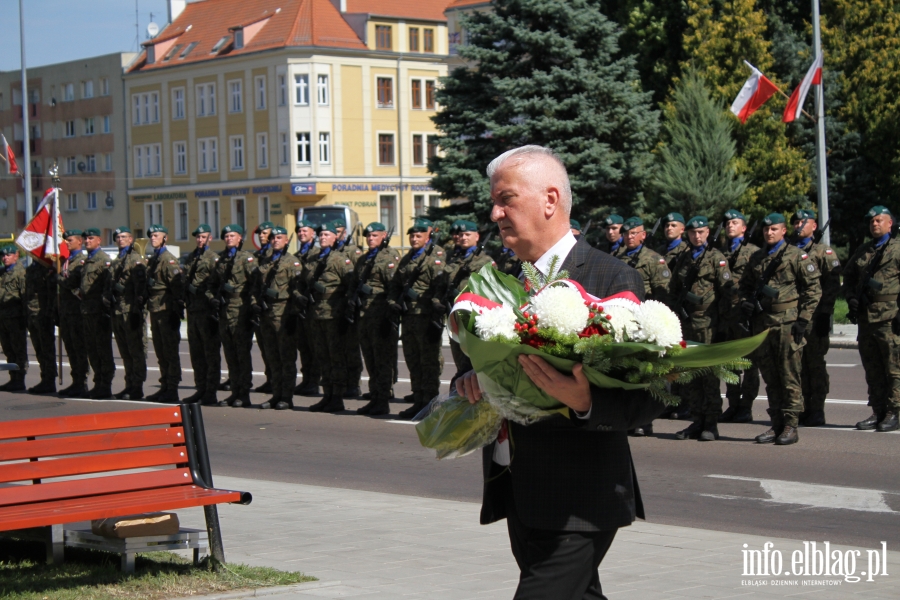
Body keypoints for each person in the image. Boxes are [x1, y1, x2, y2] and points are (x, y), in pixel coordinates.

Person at [454, 145, 665, 600]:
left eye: (506, 199)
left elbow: (650, 395)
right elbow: (479, 362)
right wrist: (470, 380)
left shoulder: (611, 279)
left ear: (550, 200)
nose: (495, 213)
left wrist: (585, 401)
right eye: (494, 202)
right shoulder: (503, 281)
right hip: (518, 489)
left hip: (579, 498)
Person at [740, 213, 821, 445]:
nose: (769, 233)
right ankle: (775, 424)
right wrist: (746, 303)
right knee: (770, 376)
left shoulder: (797, 256)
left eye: (774, 229)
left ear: (783, 231)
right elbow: (744, 286)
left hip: (788, 323)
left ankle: (790, 425)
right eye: (766, 229)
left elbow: (813, 290)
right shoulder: (756, 258)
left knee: (789, 375)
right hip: (763, 324)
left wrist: (803, 320)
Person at [670, 216, 733, 441]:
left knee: (709, 376)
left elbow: (727, 295)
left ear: (708, 233)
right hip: (688, 323)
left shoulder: (717, 258)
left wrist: (724, 326)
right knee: (691, 375)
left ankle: (711, 423)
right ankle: (696, 420)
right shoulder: (684, 258)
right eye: (693, 233)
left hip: (709, 323)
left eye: (701, 232)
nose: (697, 236)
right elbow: (675, 289)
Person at [842, 205, 900, 432]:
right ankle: (878, 410)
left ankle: (895, 412)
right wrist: (851, 298)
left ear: (890, 223)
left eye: (878, 220)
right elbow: (848, 276)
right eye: (871, 222)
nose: (874, 224)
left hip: (890, 317)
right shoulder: (863, 250)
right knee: (872, 368)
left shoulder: (897, 249)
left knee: (894, 368)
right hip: (867, 316)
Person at [616, 216, 671, 437]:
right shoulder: (617, 258)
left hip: (646, 322)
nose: (630, 237)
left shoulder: (654, 260)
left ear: (643, 235)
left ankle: (646, 420)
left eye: (634, 233)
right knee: (627, 371)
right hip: (625, 322)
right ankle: (628, 417)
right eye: (627, 233)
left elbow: (663, 294)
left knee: (648, 372)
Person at [389, 218, 447, 420]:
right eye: (412, 236)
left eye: (418, 236)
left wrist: (436, 312)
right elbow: (396, 283)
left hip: (426, 317)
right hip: (409, 317)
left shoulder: (436, 257)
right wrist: (393, 302)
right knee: (413, 361)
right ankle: (418, 400)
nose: (414, 239)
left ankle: (430, 405)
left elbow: (440, 286)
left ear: (428, 235)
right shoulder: (407, 259)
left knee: (429, 362)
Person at [791, 210, 841, 427]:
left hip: (814, 317)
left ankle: (817, 409)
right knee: (797, 366)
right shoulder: (789, 251)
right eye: (795, 222)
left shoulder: (823, 252)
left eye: (804, 222)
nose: (799, 225)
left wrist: (825, 313)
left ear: (814, 226)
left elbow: (831, 285)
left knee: (815, 365)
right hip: (792, 316)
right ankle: (802, 408)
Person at [349, 222, 402, 416]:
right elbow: (354, 283)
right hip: (365, 316)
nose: (370, 239)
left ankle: (383, 399)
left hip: (381, 315)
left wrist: (390, 312)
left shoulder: (390, 257)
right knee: (370, 359)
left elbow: (394, 286)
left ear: (383, 237)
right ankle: (374, 395)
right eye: (368, 236)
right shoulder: (363, 260)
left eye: (374, 236)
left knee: (382, 360)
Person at [718, 209, 761, 423]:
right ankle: (733, 404)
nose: (730, 226)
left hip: (744, 315)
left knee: (748, 363)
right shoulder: (719, 253)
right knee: (729, 363)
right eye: (727, 223)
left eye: (734, 222)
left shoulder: (754, 252)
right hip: (726, 316)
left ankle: (746, 406)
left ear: (744, 228)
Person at [307, 221, 354, 413]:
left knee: (336, 358)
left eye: (327, 234)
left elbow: (351, 286)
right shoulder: (313, 258)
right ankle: (326, 394)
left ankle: (337, 397)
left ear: (336, 238)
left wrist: (345, 311)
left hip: (334, 315)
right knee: (322, 357)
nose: (323, 237)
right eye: (321, 235)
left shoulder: (340, 259)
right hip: (317, 314)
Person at [208, 224, 257, 408]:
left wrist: (250, 305)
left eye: (232, 235)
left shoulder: (247, 259)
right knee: (230, 354)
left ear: (240, 238)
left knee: (242, 354)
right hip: (224, 311)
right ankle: (234, 391)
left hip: (241, 312)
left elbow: (255, 284)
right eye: (226, 236)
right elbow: (212, 284)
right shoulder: (221, 260)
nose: (228, 238)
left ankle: (244, 394)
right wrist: (212, 298)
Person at [442, 220, 495, 386]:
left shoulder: (485, 261)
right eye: (461, 235)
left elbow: (491, 291)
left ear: (477, 236)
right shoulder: (455, 259)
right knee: (459, 360)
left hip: (473, 317)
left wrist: (465, 295)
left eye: (468, 234)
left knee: (472, 365)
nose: (463, 237)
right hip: (455, 316)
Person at [256, 227, 301, 410]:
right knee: (272, 356)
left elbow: (298, 291)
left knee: (286, 357)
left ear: (286, 241)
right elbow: (256, 287)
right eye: (273, 237)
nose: (275, 240)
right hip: (266, 314)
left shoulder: (292, 263)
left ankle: (286, 396)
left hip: (283, 314)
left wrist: (293, 315)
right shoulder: (265, 261)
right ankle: (276, 394)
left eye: (279, 237)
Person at [107, 227, 148, 400]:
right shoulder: (118, 260)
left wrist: (138, 313)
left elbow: (141, 290)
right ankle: (129, 384)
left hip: (130, 311)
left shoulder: (135, 259)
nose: (120, 239)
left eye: (124, 236)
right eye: (117, 237)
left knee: (136, 351)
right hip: (117, 311)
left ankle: (137, 386)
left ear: (131, 240)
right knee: (125, 352)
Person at [145, 225, 184, 403]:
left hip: (166, 312)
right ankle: (165, 385)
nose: (152, 238)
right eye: (151, 236)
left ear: (165, 238)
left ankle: (173, 388)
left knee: (170, 352)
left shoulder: (168, 260)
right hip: (156, 311)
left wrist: (175, 311)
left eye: (156, 235)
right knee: (161, 352)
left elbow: (177, 288)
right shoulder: (154, 259)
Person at [183, 224, 221, 405]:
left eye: (203, 237)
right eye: (197, 237)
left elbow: (216, 285)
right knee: (196, 353)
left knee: (210, 353)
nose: (200, 240)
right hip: (192, 311)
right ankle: (201, 388)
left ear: (210, 238)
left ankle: (211, 392)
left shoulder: (213, 259)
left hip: (206, 312)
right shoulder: (191, 257)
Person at [81, 228, 115, 399]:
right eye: (85, 238)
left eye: (90, 238)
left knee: (103, 349)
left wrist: (105, 310)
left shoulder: (103, 261)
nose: (87, 241)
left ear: (99, 240)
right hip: (87, 312)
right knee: (92, 350)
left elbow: (107, 288)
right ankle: (98, 382)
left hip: (99, 313)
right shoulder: (87, 261)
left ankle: (106, 385)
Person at [56, 230, 90, 397]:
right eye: (65, 240)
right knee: (70, 348)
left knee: (79, 348)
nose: (66, 243)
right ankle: (75, 380)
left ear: (79, 242)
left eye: (69, 240)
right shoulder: (67, 261)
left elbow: (71, 283)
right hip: (66, 312)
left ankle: (81, 382)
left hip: (77, 313)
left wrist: (58, 278)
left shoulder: (81, 262)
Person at [293, 219, 321, 395]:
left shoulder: (317, 254)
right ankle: (307, 379)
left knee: (314, 346)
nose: (302, 234)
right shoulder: (296, 256)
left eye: (305, 231)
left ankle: (315, 381)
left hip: (314, 307)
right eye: (299, 231)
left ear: (313, 233)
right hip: (300, 307)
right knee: (303, 346)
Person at [25, 256, 57, 394]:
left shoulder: (47, 267)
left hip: (43, 313)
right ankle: (45, 378)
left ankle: (49, 380)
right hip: (31, 313)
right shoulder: (30, 268)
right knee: (39, 349)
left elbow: (51, 292)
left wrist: (51, 312)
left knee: (47, 348)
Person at [0, 245, 27, 391]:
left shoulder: (20, 273)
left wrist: (25, 317)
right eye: (3, 256)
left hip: (16, 318)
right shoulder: (2, 273)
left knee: (18, 349)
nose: (5, 258)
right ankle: (13, 378)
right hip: (3, 317)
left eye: (9, 255)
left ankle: (20, 379)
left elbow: (24, 296)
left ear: (16, 256)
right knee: (8, 349)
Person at [253, 221, 275, 394]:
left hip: (271, 308)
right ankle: (270, 378)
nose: (261, 235)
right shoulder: (258, 255)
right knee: (264, 346)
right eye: (260, 232)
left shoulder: (273, 255)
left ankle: (276, 380)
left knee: (273, 347)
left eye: (265, 232)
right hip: (258, 306)